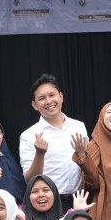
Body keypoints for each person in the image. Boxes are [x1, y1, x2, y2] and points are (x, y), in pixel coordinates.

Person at [19, 74, 88, 212]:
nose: (49, 101)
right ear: (35, 105)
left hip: (79, 199)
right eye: (41, 98)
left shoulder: (79, 126)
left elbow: (89, 165)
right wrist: (40, 153)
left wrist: (83, 155)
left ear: (61, 97)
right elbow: (30, 180)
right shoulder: (28, 135)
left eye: (52, 95)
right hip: (49, 203)